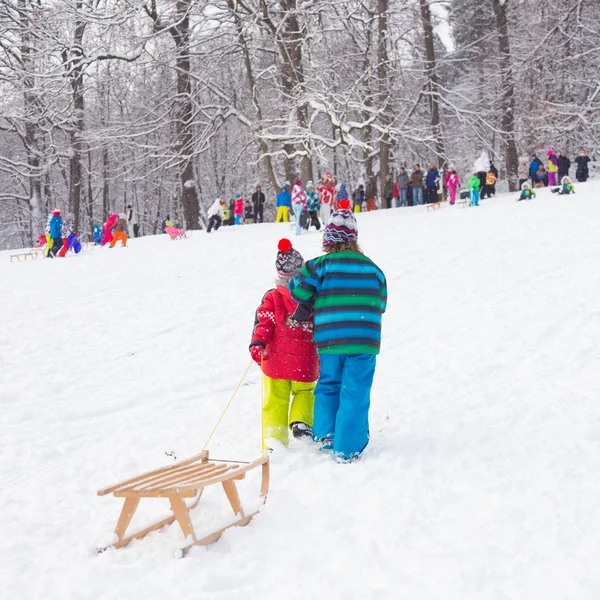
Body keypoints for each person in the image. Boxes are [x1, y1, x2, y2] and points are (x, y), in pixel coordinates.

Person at [289, 200, 387, 463]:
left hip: (330, 339)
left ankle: (326, 434)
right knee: (355, 389)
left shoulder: (319, 266)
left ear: (328, 240)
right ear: (354, 240)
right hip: (364, 340)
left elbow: (298, 289)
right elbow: (383, 302)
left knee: (329, 384)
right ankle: (348, 446)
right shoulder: (373, 269)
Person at [249, 238, 318, 449]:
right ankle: (301, 422)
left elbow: (265, 321)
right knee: (305, 392)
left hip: (275, 361)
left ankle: (273, 441)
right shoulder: (313, 297)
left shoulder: (272, 296)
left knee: (275, 400)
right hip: (305, 361)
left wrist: (258, 342)